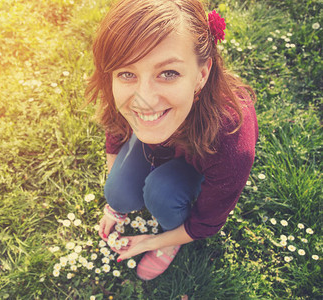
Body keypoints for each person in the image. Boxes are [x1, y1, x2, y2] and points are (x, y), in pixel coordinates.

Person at [86, 0, 258, 281]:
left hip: (200, 156)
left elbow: (206, 222)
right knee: (116, 190)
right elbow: (116, 128)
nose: (145, 99)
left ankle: (172, 238)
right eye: (127, 73)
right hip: (160, 146)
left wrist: (153, 242)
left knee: (161, 192)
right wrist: (115, 203)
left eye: (168, 73)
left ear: (201, 75)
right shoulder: (124, 93)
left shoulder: (230, 136)